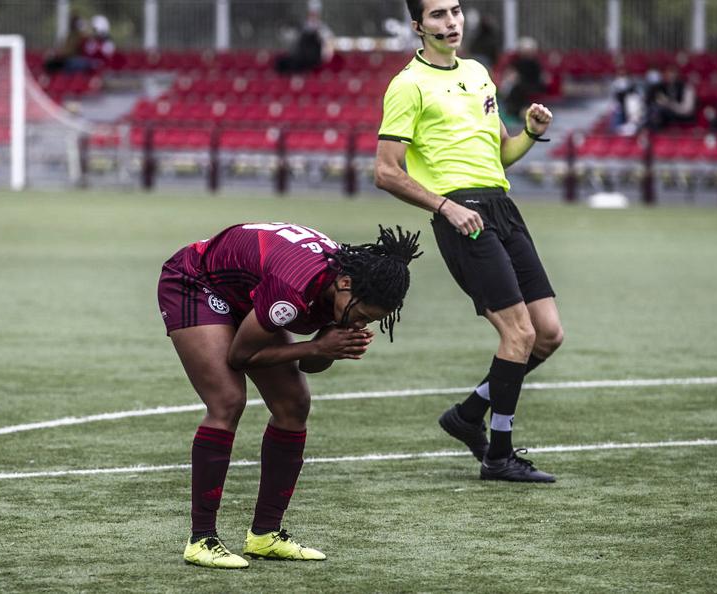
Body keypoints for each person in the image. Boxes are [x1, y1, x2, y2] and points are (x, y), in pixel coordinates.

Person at [375, 0, 564, 483]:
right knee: (518, 335)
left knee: (546, 334)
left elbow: (502, 155)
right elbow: (385, 172)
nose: (451, 22)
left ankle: (466, 415)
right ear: (418, 26)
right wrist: (445, 206)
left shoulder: (480, 73)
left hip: (502, 207)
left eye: (456, 11)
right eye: (438, 15)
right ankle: (499, 455)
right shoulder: (407, 85)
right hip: (462, 215)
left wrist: (531, 133)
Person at [158, 222, 422, 568]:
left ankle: (265, 535)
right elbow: (239, 357)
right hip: (197, 283)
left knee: (294, 404)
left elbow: (311, 366)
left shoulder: (345, 286)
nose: (360, 325)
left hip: (250, 294)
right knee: (227, 401)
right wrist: (317, 344)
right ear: (345, 284)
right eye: (360, 316)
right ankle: (202, 539)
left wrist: (331, 348)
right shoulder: (297, 286)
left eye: (370, 321)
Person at [645, 66, 696, 131]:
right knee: (654, 110)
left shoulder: (686, 88)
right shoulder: (661, 88)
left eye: (673, 76)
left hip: (682, 115)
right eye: (668, 76)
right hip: (666, 115)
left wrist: (670, 104)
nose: (671, 78)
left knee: (658, 111)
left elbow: (687, 109)